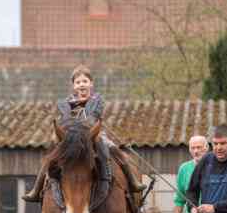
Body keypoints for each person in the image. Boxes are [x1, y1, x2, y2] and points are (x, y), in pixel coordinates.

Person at [23, 64, 146, 202]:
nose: (82, 85)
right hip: (70, 137)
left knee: (113, 149)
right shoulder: (65, 103)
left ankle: (130, 180)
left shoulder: (96, 100)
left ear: (91, 84)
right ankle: (36, 189)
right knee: (51, 154)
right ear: (73, 86)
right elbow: (66, 119)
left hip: (92, 133)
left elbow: (94, 117)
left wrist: (83, 106)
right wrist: (76, 108)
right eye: (78, 82)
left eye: (85, 81)